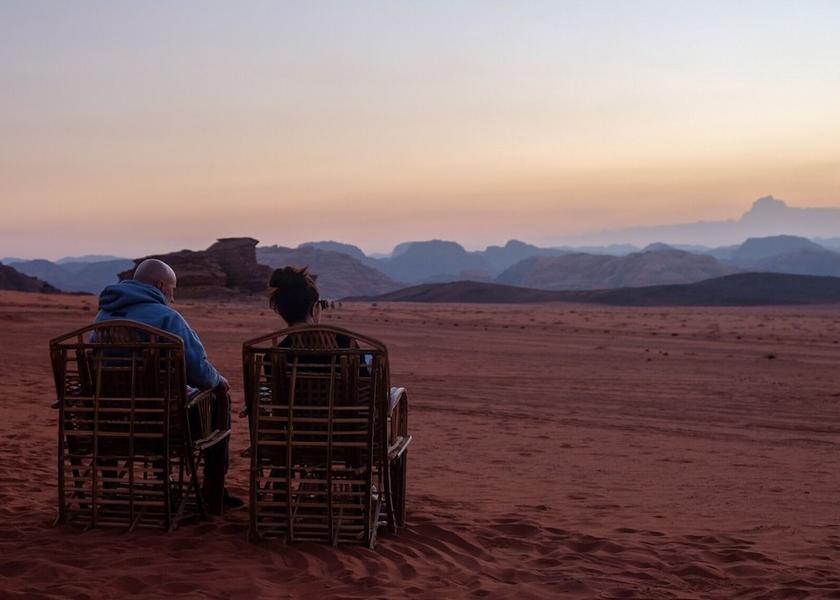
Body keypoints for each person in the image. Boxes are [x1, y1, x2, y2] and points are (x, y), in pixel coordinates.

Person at [96, 258, 244, 510]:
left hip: (110, 420)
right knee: (220, 399)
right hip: (167, 423)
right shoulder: (167, 318)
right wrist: (219, 382)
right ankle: (214, 493)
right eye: (172, 291)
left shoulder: (103, 317)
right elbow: (197, 369)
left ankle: (111, 491)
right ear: (161, 285)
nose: (172, 299)